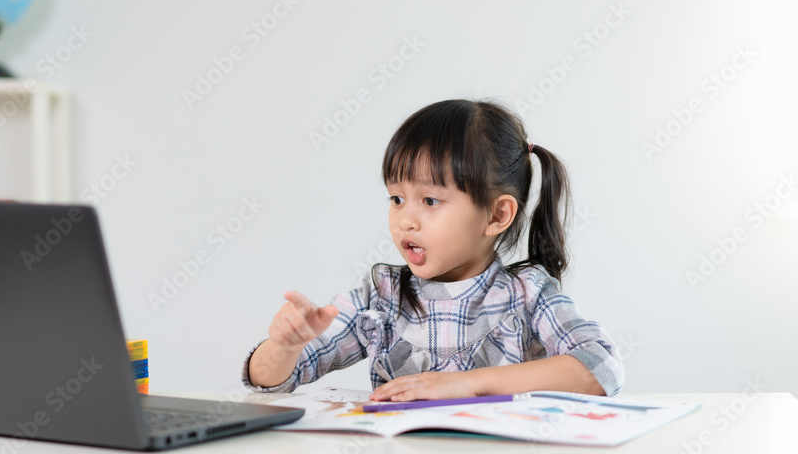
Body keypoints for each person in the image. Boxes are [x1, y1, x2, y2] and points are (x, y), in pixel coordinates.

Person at [242, 99, 624, 401]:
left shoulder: (527, 295)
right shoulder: (382, 299)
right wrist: (284, 347)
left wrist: (469, 384)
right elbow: (270, 381)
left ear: (496, 215)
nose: (405, 221)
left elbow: (601, 366)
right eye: (396, 198)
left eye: (429, 200)